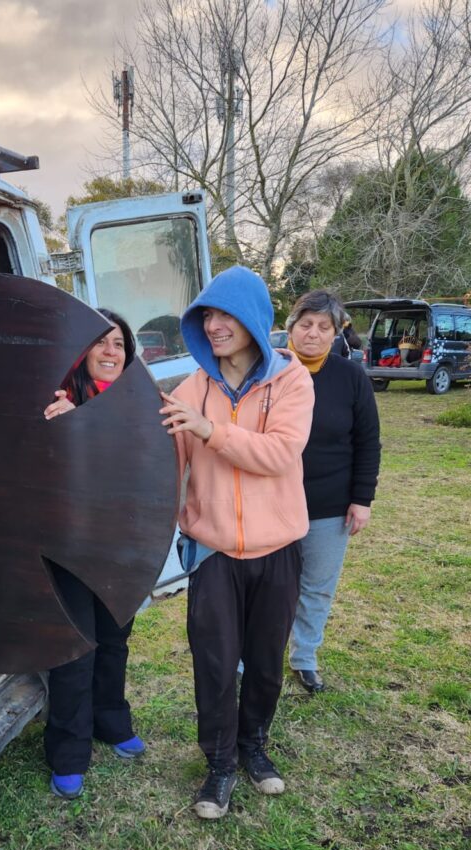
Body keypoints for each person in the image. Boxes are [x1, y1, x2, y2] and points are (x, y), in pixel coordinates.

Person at [159, 266, 314, 820]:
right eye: (207, 315)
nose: (215, 325)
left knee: (266, 663)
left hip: (278, 549)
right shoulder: (189, 389)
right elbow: (154, 456)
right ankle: (220, 764)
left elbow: (279, 455)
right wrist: (84, 414)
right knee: (216, 664)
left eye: (226, 314)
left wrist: (209, 430)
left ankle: (254, 748)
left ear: (253, 319)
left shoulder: (293, 382)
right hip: (213, 551)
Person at [42, 311, 146, 799]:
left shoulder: (141, 407)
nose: (110, 351)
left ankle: (111, 721)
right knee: (75, 648)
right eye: (100, 343)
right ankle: (68, 750)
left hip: (122, 546)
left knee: (114, 640)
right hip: (71, 546)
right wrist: (62, 428)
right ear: (82, 352)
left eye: (119, 344)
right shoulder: (58, 402)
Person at [285, 290, 381, 693]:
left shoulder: (350, 377)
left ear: (335, 332)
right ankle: (250, 658)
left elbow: (368, 440)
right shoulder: (268, 370)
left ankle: (304, 657)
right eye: (306, 324)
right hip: (271, 504)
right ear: (291, 327)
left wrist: (362, 499)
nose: (313, 334)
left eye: (323, 327)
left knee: (316, 587)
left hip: (328, 506)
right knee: (267, 588)